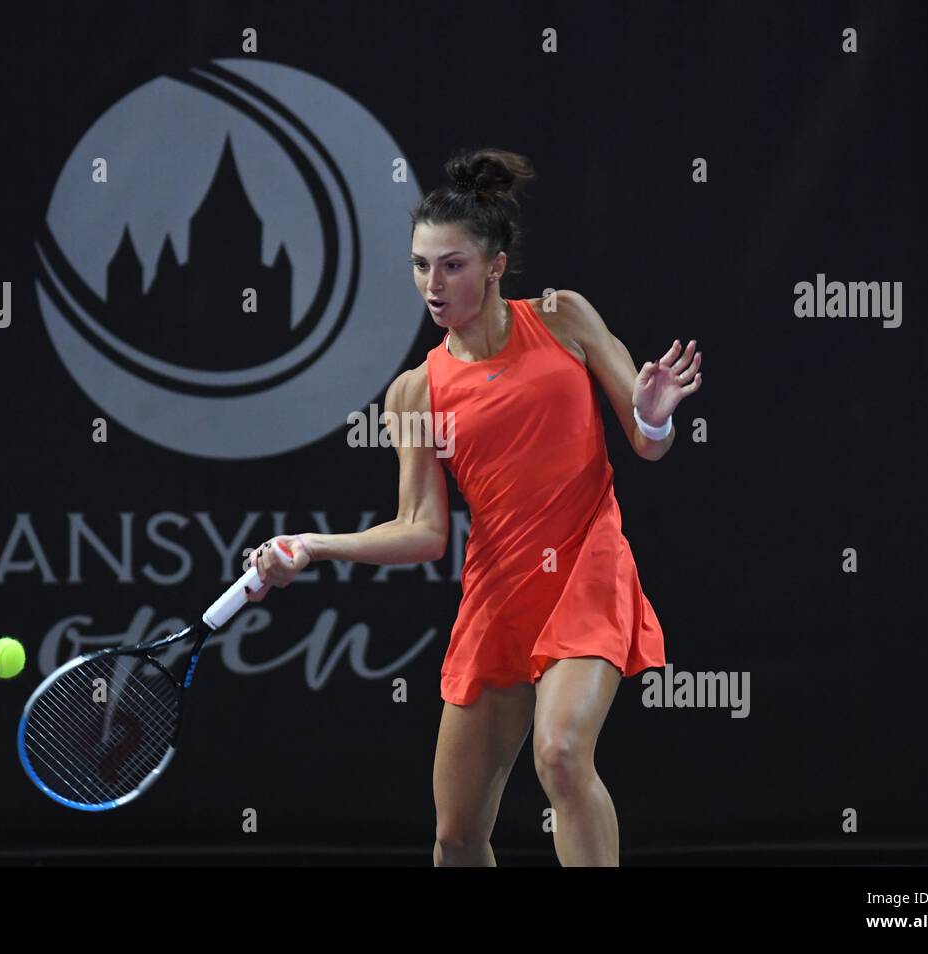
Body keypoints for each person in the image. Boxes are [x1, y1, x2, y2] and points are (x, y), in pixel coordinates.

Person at [243, 148, 703, 866]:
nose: (433, 283)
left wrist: (653, 417)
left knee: (559, 753)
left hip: (587, 566)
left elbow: (647, 446)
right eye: (421, 266)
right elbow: (423, 531)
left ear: (495, 265)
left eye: (452, 265)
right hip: (498, 596)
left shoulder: (565, 318)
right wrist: (316, 543)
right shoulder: (415, 392)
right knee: (457, 837)